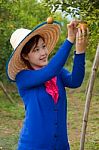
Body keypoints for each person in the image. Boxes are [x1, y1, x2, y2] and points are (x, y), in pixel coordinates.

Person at [6, 18, 88, 150]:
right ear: (25, 56)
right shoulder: (23, 77)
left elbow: (75, 81)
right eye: (36, 50)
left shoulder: (57, 72)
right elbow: (50, 71)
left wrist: (80, 52)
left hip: (60, 144)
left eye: (43, 47)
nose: (43, 53)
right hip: (34, 146)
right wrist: (69, 40)